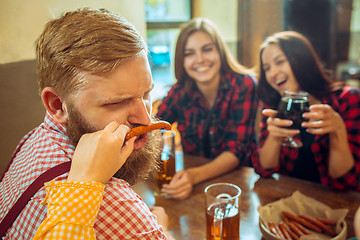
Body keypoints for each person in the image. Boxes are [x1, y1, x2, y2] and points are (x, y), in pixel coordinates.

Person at [0, 8, 174, 239]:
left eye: (146, 93)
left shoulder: (33, 140)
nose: (145, 118)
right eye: (116, 103)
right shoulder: (119, 207)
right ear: (57, 105)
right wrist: (159, 230)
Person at [156, 17, 258, 200]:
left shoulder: (244, 85)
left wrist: (193, 176)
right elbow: (154, 129)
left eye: (207, 49)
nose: (200, 60)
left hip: (237, 189)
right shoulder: (179, 91)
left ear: (220, 51)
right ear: (181, 60)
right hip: (190, 192)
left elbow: (236, 151)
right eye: (189, 53)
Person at [252, 31, 360, 191]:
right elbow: (264, 169)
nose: (273, 73)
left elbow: (347, 180)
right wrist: (274, 137)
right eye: (267, 68)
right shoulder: (276, 105)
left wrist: (338, 130)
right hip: (288, 199)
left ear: (302, 60)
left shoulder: (347, 99)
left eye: (280, 62)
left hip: (332, 203)